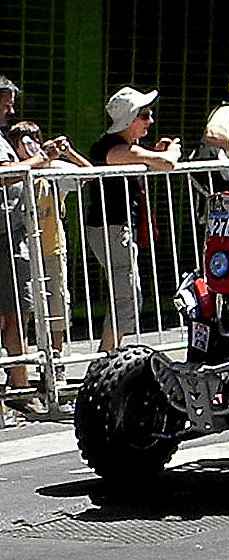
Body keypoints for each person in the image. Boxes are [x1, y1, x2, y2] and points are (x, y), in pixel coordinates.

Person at [87, 85, 181, 351]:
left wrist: (157, 153)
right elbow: (169, 164)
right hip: (112, 228)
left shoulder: (124, 147)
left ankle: (108, 356)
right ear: (129, 119)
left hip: (115, 228)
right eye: (145, 115)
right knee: (127, 297)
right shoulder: (115, 149)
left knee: (128, 297)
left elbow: (147, 159)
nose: (150, 122)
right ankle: (106, 360)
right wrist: (170, 151)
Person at [0, 75, 70, 415]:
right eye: (7, 100)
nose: (11, 107)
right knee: (12, 313)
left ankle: (20, 386)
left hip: (13, 232)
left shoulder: (4, 137)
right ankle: (18, 386)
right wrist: (37, 162)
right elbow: (6, 174)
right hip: (3, 235)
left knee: (19, 311)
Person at [6, 120, 92, 378]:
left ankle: (55, 367)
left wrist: (67, 152)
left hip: (51, 248)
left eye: (34, 138)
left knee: (57, 308)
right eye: (23, 140)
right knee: (23, 311)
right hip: (21, 252)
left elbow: (88, 174)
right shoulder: (12, 171)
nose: (28, 144)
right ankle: (19, 370)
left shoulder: (53, 169)